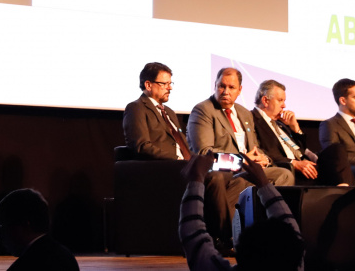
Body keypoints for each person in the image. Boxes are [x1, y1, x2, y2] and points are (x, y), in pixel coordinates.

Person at [122, 62, 236, 243]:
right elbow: (141, 146)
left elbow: (182, 145)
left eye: (170, 84)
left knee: (232, 175)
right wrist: (178, 160)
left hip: (185, 164)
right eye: (164, 84)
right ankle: (225, 237)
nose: (169, 88)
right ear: (148, 85)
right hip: (165, 169)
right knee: (215, 178)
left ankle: (223, 234)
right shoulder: (136, 108)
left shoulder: (169, 112)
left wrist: (198, 159)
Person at [187, 68, 293, 251]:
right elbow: (204, 152)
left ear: (240, 90)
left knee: (284, 174)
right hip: (224, 170)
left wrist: (264, 159)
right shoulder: (203, 110)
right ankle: (227, 236)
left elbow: (254, 147)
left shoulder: (244, 113)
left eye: (231, 87)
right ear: (215, 86)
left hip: (246, 169)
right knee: (217, 178)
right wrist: (241, 160)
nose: (225, 91)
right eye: (222, 86)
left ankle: (276, 236)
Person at [178, 153, 304, 271]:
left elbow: (192, 232)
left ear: (239, 253)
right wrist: (264, 183)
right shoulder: (295, 263)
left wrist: (196, 180)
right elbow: (290, 225)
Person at [251, 79, 352, 185]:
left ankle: (348, 193)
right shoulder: (252, 119)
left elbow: (301, 150)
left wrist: (295, 128)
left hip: (306, 162)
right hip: (288, 168)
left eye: (284, 101)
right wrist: (294, 163)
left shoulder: (280, 124)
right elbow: (263, 151)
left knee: (337, 149)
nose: (284, 106)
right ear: (265, 101)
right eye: (280, 100)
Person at [0, 188, 79, 271]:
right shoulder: (66, 256)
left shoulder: (24, 266)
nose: (0, 235)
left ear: (25, 224)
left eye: (4, 226)